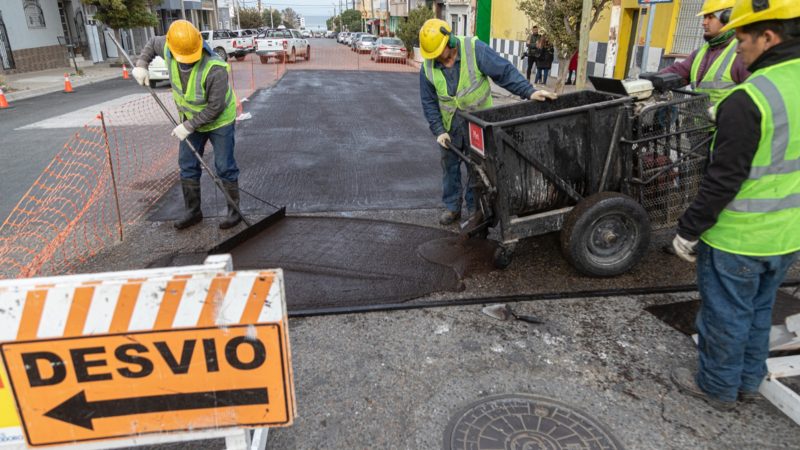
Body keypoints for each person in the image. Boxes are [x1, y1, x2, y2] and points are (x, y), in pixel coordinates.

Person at [670, 0, 800, 411]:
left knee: (725, 315)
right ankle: (746, 383)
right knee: (760, 312)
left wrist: (689, 228)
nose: (739, 47)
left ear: (769, 36)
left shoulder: (750, 99)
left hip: (738, 237)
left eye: (744, 38)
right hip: (787, 235)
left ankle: (717, 388)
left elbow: (723, 179)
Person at [418, 18, 557, 225]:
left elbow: (505, 72)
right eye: (433, 55)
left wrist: (530, 91)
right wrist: (439, 130)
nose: (437, 58)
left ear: (450, 41)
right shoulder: (428, 68)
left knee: (478, 168)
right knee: (449, 167)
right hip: (450, 126)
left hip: (478, 123)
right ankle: (452, 207)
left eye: (440, 52)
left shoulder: (474, 50)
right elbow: (428, 102)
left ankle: (476, 209)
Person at [131, 20, 242, 230]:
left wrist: (188, 126)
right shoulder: (170, 46)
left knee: (224, 167)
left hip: (219, 121)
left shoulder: (215, 68)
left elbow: (215, 108)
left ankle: (234, 212)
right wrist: (141, 65)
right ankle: (193, 212)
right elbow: (152, 43)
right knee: (188, 165)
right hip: (190, 120)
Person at [660, 0, 750, 105]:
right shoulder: (702, 51)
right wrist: (649, 81)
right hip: (696, 119)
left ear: (728, 18)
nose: (704, 22)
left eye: (711, 17)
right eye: (704, 17)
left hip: (723, 121)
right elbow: (679, 71)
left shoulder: (742, 52)